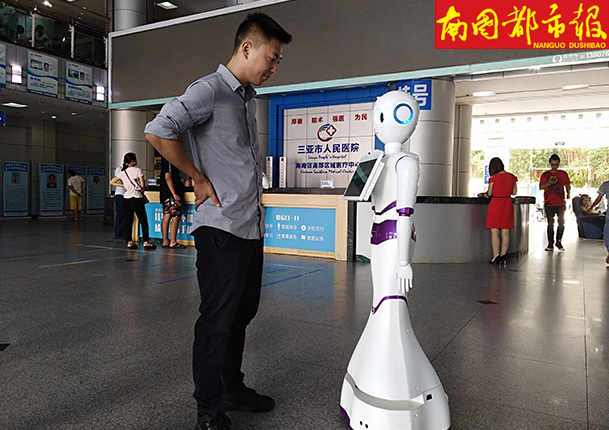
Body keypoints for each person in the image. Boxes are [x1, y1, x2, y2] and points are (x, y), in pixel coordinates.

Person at [144, 12, 292, 430]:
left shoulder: (246, 98)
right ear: (247, 48)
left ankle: (231, 387)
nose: (274, 68)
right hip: (220, 229)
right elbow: (157, 130)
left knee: (242, 313)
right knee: (217, 321)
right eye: (272, 58)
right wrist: (196, 176)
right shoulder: (209, 90)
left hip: (248, 227)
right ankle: (208, 408)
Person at [109, 153, 156, 250]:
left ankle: (129, 242)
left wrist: (123, 186)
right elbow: (142, 185)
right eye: (135, 159)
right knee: (143, 220)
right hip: (137, 198)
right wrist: (142, 189)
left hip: (126, 199)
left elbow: (111, 182)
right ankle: (146, 241)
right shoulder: (137, 170)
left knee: (128, 221)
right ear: (132, 161)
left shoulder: (123, 172)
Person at [485, 157, 518, 264]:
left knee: (495, 232)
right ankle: (503, 256)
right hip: (507, 203)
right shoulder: (512, 177)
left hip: (495, 203)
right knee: (505, 232)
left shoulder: (493, 178)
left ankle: (496, 256)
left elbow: (490, 193)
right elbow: (514, 192)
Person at [539, 154, 571, 251]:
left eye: (556, 165)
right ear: (550, 164)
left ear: (559, 164)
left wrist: (568, 193)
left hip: (560, 203)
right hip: (549, 203)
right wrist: (549, 184)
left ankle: (559, 241)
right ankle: (550, 243)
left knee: (561, 223)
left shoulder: (563, 174)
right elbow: (541, 187)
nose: (554, 167)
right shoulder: (545, 175)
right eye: (552, 165)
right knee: (550, 224)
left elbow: (567, 185)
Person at [160, 156, 186, 248]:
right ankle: (173, 241)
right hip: (171, 196)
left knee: (166, 216)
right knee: (176, 217)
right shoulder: (169, 162)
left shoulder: (165, 163)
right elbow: (168, 178)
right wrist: (174, 193)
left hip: (165, 195)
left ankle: (165, 241)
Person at [588, 181, 609, 264]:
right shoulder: (605, 185)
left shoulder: (606, 185)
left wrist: (591, 207)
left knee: (607, 234)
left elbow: (598, 198)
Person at [112, 165, 126, 242]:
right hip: (120, 195)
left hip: (126, 196)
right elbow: (118, 181)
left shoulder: (130, 170)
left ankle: (119, 234)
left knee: (124, 216)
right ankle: (117, 235)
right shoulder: (119, 169)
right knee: (120, 216)